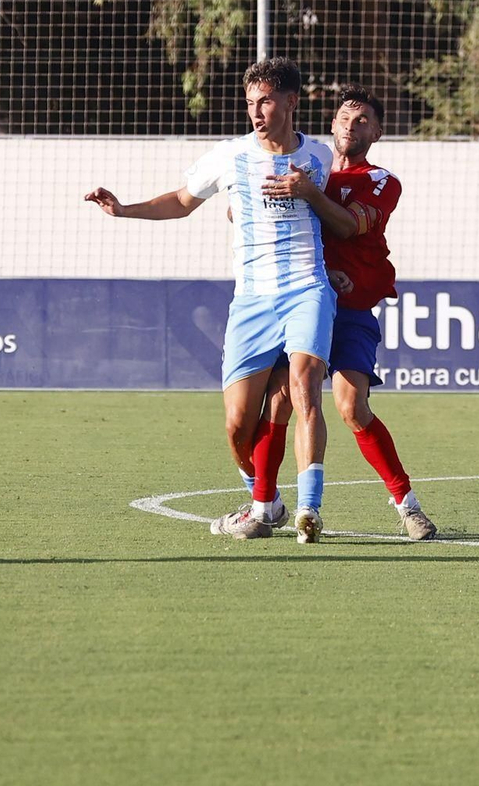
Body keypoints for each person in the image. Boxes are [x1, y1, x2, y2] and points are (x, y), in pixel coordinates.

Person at [84, 57, 336, 544]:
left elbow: (343, 215)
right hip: (252, 302)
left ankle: (309, 510)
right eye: (250, 103)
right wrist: (123, 210)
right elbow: (181, 201)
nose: (256, 112)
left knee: (304, 391)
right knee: (237, 425)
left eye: (265, 101)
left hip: (307, 288)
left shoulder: (320, 157)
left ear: (291, 102)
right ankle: (267, 502)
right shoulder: (229, 156)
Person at [250, 84, 438, 540]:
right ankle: (263, 506)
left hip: (349, 310)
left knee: (352, 406)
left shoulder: (380, 181)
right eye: (344, 118)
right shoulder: (306, 164)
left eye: (362, 121)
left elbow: (350, 224)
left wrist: (309, 193)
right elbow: (253, 211)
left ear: (377, 131)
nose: (351, 126)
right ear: (331, 123)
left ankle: (407, 506)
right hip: (300, 303)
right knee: (279, 400)